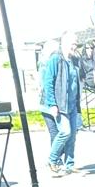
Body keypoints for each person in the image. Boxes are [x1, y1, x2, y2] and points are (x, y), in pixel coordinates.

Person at [40, 32, 82, 176]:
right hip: (60, 104)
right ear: (64, 43)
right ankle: (52, 159)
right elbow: (48, 82)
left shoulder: (74, 60)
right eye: (73, 43)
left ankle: (69, 164)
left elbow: (76, 82)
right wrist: (52, 104)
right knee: (65, 132)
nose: (75, 46)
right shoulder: (56, 59)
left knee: (73, 135)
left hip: (72, 104)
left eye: (76, 43)